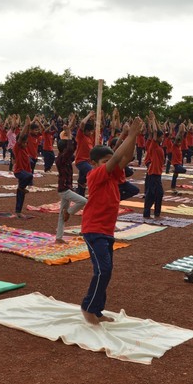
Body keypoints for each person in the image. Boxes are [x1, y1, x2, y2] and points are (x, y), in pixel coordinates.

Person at [79, 116, 142, 325]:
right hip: (93, 229)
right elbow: (116, 159)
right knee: (102, 270)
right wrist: (130, 134)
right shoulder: (95, 175)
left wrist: (133, 137)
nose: (110, 164)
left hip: (106, 231)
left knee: (106, 271)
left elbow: (127, 157)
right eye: (104, 162)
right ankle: (88, 307)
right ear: (94, 164)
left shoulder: (113, 176)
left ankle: (97, 310)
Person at [55, 115, 86, 243]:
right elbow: (70, 148)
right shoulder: (61, 159)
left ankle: (58, 237)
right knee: (84, 201)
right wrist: (68, 133)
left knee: (61, 215)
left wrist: (70, 130)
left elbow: (73, 146)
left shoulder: (66, 158)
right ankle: (69, 212)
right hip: (64, 189)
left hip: (66, 188)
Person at [143, 110, 165, 218]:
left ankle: (154, 212)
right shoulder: (154, 145)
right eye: (161, 137)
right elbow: (156, 132)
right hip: (153, 173)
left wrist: (154, 119)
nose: (162, 138)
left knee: (155, 194)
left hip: (157, 173)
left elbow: (158, 131)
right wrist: (152, 120)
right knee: (154, 194)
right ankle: (149, 212)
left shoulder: (159, 146)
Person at [12, 117, 34, 216]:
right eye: (24, 143)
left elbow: (26, 136)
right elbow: (21, 137)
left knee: (21, 194)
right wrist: (26, 125)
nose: (25, 144)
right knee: (29, 176)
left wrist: (29, 126)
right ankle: (21, 188)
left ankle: (18, 211)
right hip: (19, 171)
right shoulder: (17, 148)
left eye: (26, 143)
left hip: (24, 173)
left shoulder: (25, 149)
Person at [74, 111, 95, 197]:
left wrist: (93, 119)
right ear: (85, 131)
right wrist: (89, 115)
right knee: (92, 172)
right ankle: (81, 183)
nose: (91, 133)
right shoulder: (81, 136)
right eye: (89, 131)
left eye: (91, 132)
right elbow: (82, 123)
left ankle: (80, 195)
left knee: (82, 184)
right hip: (81, 161)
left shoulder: (90, 137)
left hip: (88, 161)